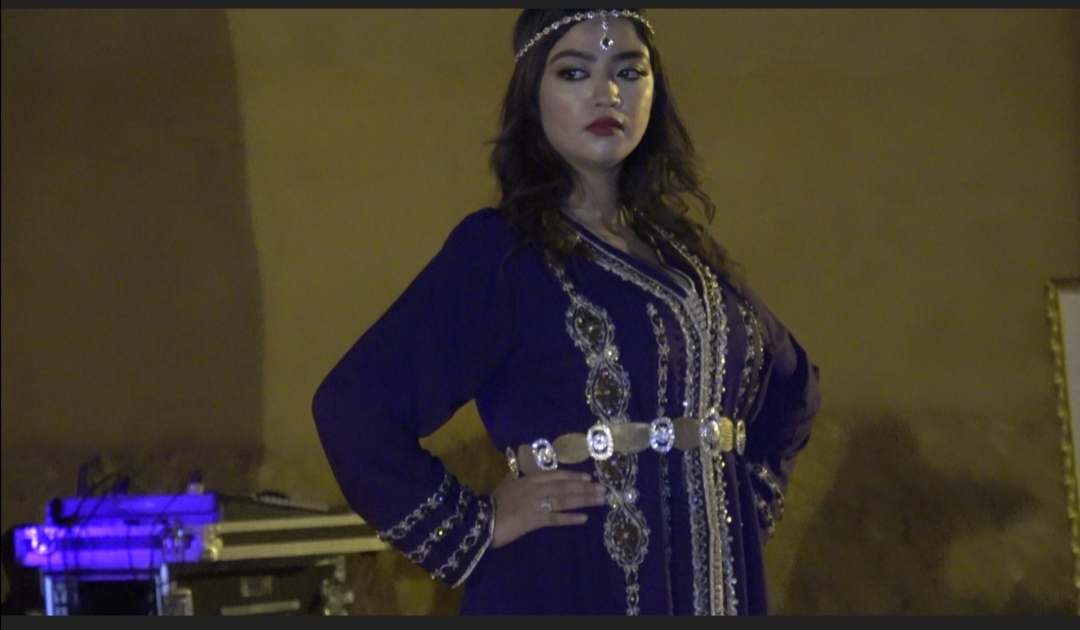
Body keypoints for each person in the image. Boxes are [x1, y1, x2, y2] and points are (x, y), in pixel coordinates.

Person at [312, 8, 821, 615]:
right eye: (575, 72)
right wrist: (475, 523)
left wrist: (743, 505)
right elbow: (353, 408)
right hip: (566, 581)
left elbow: (793, 384)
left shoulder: (690, 262)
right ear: (533, 96)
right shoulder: (504, 253)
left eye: (628, 71)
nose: (607, 94)